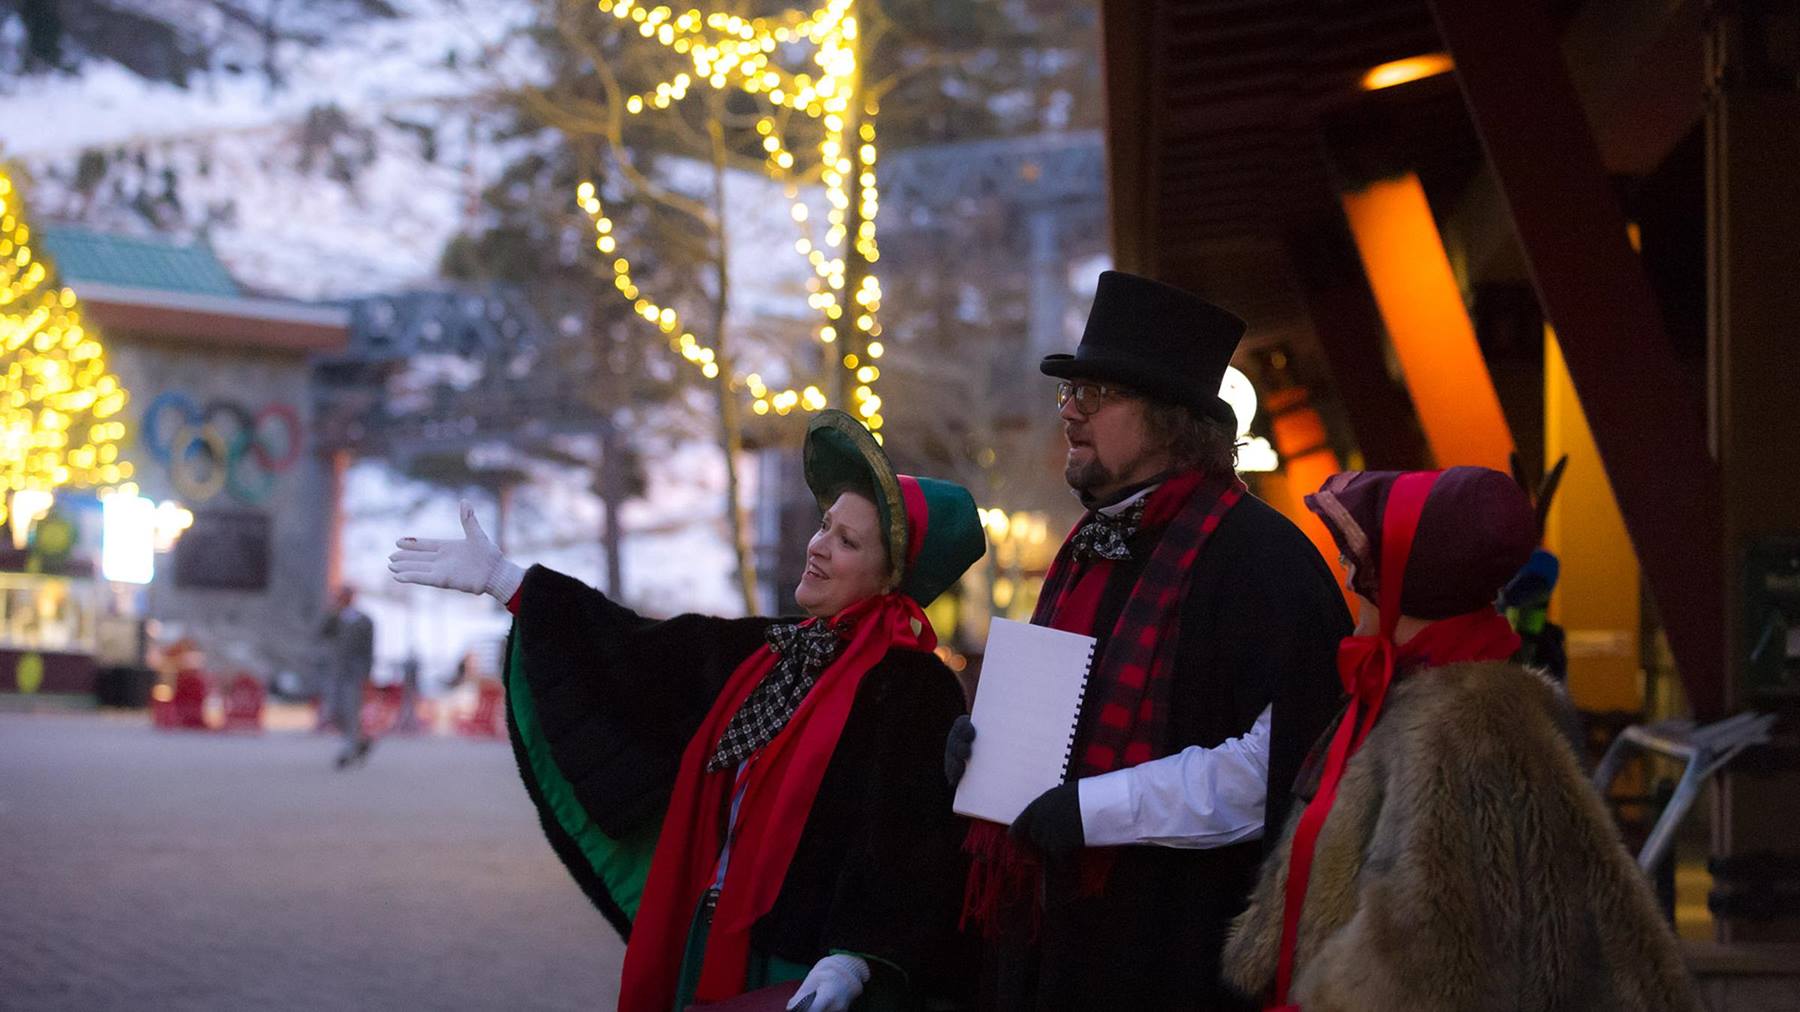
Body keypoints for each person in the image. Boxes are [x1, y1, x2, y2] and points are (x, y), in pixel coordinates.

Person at [389, 410, 986, 1012]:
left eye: (848, 541)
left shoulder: (914, 687)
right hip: (707, 939)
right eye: (825, 525)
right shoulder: (768, 648)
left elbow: (909, 834)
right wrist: (508, 581)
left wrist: (858, 956)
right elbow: (635, 652)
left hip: (804, 968)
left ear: (892, 579)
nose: (819, 547)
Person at [945, 271, 1350, 1009]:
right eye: (1068, 393)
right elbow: (1067, 723)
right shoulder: (1092, 548)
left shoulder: (1261, 559)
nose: (1069, 413)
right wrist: (983, 753)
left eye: (1095, 394)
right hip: (1059, 943)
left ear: (1170, 418)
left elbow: (1284, 763)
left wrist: (1093, 809)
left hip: (1175, 956)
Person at [1222, 467, 1699, 1010]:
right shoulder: (1407, 692)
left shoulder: (1459, 723)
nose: (1350, 579)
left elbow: (1437, 957)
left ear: (1407, 577)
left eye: (1358, 563)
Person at [319, 585, 375, 769]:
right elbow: (321, 633)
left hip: (354, 674)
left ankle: (349, 750)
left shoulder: (364, 621)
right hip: (335, 672)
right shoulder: (335, 618)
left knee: (351, 712)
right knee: (333, 712)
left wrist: (366, 674)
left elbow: (369, 650)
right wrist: (332, 612)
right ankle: (360, 742)